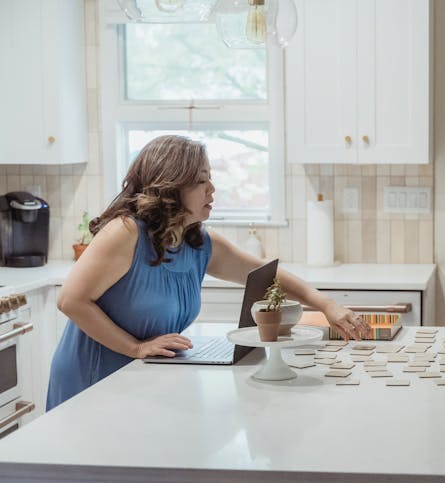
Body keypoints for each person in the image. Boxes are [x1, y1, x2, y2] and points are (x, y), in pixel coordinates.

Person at [46, 135, 371, 411]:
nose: (212, 189)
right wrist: (136, 348)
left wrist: (325, 304)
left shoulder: (197, 242)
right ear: (171, 186)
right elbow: (70, 301)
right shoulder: (126, 233)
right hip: (92, 382)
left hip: (142, 380)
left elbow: (263, 274)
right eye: (201, 181)